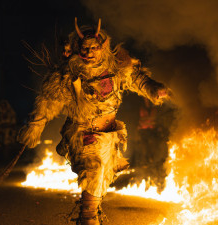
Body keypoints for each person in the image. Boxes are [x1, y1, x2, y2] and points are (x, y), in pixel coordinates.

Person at [18, 18, 172, 225]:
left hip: (110, 134)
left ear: (103, 47)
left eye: (94, 48)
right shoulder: (68, 74)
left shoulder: (116, 68)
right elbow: (48, 101)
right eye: (84, 48)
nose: (89, 52)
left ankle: (91, 213)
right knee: (93, 171)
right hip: (84, 133)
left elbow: (137, 78)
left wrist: (153, 88)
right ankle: (88, 218)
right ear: (77, 48)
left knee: (102, 178)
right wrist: (35, 126)